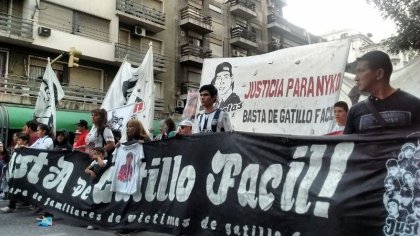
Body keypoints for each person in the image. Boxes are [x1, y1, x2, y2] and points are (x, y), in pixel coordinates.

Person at [344, 50, 420, 134]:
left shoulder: (415, 105)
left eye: (361, 71)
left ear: (379, 73)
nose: (356, 78)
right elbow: (346, 146)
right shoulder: (355, 111)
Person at [0, 132, 30, 213]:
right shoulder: (17, 147)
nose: (18, 141)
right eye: (18, 140)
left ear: (25, 141)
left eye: (20, 140)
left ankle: (11, 206)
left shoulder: (28, 150)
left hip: (21, 173)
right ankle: (18, 204)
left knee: (15, 189)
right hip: (14, 172)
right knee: (15, 189)